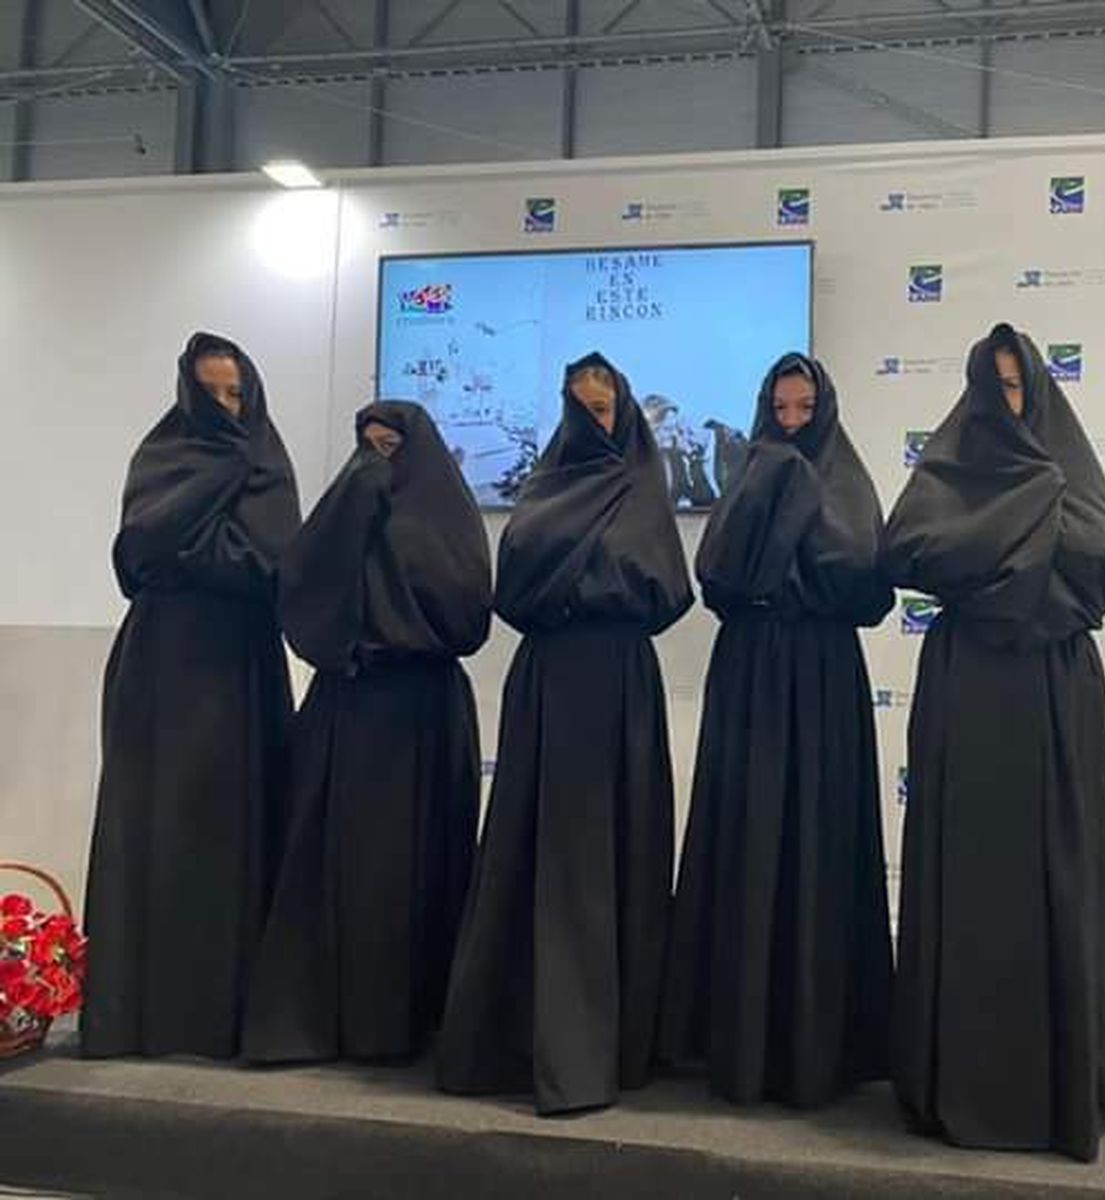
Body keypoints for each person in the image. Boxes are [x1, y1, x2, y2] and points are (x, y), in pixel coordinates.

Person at [885, 323, 1105, 1161]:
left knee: (1058, 868)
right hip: (971, 692)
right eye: (995, 388)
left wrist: (999, 554)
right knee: (970, 877)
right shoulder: (953, 467)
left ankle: (1058, 1083)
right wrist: (1031, 541)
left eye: (1020, 386)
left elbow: (1104, 560)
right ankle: (957, 1080)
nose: (1010, 403)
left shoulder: (1073, 472)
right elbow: (911, 548)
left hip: (1053, 689)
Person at [435, 352, 692, 1113]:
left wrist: (591, 592)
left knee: (615, 849)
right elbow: (513, 585)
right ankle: (527, 1036)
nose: (594, 421)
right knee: (539, 848)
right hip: (549, 683)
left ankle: (613, 1045)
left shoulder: (648, 486)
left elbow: (667, 591)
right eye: (581, 408)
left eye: (606, 409)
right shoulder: (543, 486)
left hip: (620, 686)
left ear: (626, 412)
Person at [658, 353, 895, 1107]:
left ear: (824, 408)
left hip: (823, 674)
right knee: (748, 834)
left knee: (819, 838)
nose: (792, 422)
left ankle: (822, 1040)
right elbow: (719, 577)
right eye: (781, 409)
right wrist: (772, 498)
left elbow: (865, 583)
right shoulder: (747, 471)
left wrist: (793, 523)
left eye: (804, 409)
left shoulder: (848, 482)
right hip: (751, 675)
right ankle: (734, 1033)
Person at [241, 401, 491, 1064]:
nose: (375, 462)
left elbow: (464, 607)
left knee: (411, 865)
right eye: (367, 447)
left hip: (423, 712)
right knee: (330, 861)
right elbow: (302, 588)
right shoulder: (341, 509)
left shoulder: (448, 519)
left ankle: (404, 1021)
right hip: (344, 708)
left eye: (391, 449)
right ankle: (317, 1018)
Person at [81, 332, 301, 1059]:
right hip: (159, 666)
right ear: (186, 393)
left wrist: (188, 547)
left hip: (238, 671)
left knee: (231, 828)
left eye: (234, 393)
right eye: (209, 393)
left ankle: (220, 1019)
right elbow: (138, 549)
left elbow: (267, 562)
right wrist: (203, 537)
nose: (224, 407)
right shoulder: (162, 455)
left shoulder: (268, 463)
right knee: (152, 827)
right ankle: (135, 1016)